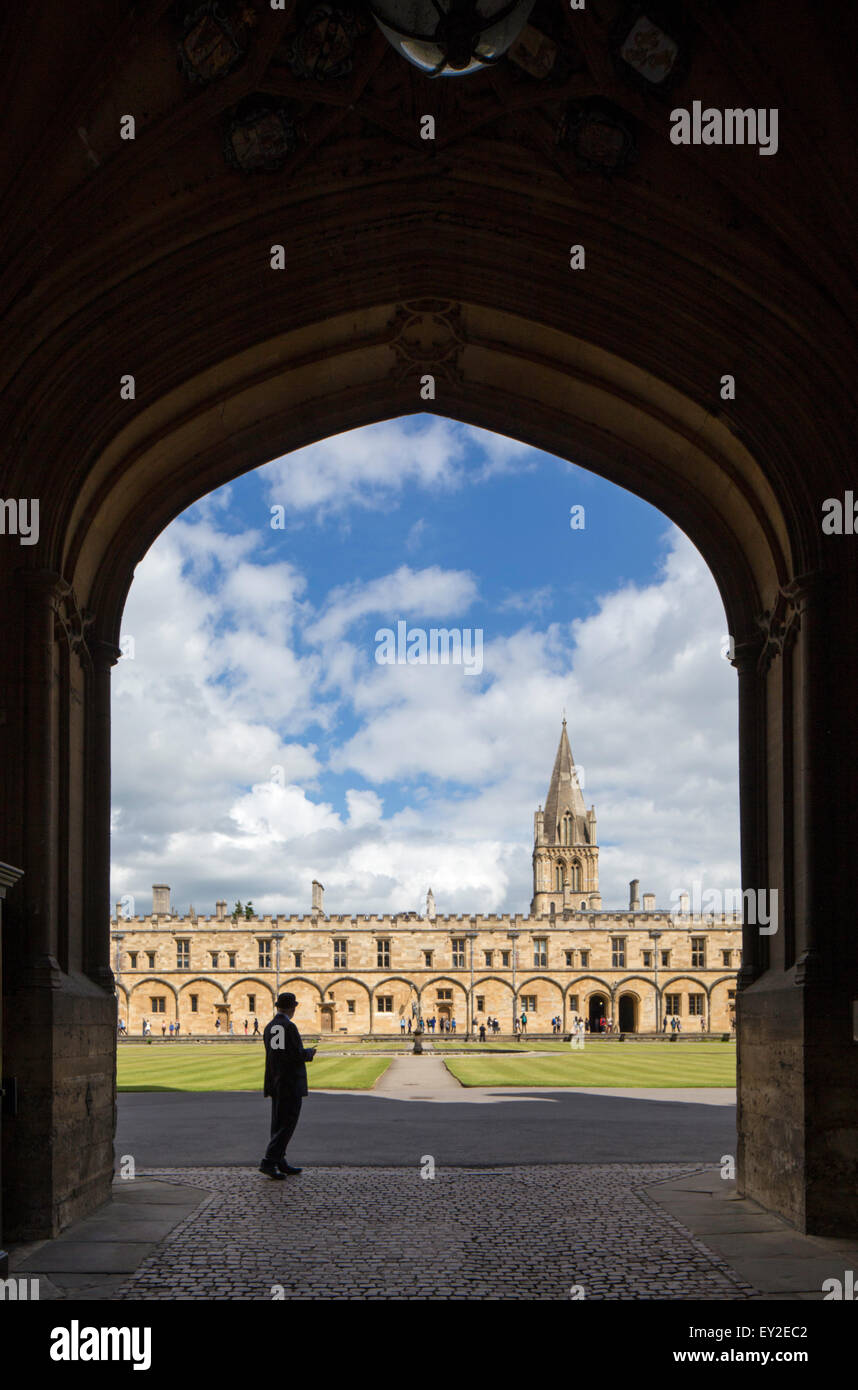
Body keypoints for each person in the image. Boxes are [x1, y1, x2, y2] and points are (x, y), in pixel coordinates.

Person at [259, 991, 316, 1179]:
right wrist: (308, 1053)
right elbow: (292, 1055)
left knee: (278, 1122)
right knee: (288, 1123)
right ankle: (269, 1161)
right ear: (292, 1008)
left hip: (275, 1081)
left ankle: (279, 1161)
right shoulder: (288, 1027)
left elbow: (278, 1055)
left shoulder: (270, 1027)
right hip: (289, 1082)